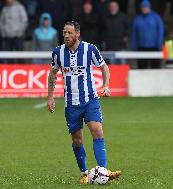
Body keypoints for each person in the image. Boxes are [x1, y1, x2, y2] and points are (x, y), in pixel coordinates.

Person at [47, 21, 121, 184]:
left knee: (97, 130)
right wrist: (50, 97)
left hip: (90, 99)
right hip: (71, 104)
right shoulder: (58, 52)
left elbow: (104, 67)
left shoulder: (90, 49)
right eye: (64, 32)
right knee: (77, 140)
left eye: (69, 33)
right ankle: (84, 173)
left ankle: (103, 171)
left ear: (77, 34)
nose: (66, 36)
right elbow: (52, 74)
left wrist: (106, 85)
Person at [131, 0, 164, 69]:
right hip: (141, 47)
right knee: (142, 67)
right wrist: (134, 45)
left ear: (149, 7)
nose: (144, 8)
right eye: (143, 7)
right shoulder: (137, 19)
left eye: (146, 7)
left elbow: (160, 31)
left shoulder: (156, 17)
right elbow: (134, 33)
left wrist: (159, 44)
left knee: (155, 68)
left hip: (154, 47)